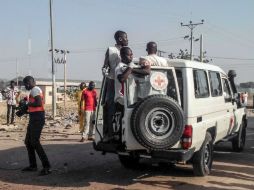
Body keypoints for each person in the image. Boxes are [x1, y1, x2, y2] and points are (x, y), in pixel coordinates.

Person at [21, 76, 51, 176]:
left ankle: (47, 167)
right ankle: (33, 166)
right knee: (28, 142)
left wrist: (28, 105)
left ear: (29, 83)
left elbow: (38, 103)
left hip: (37, 119)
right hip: (35, 118)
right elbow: (35, 105)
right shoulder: (35, 90)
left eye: (25, 84)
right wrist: (25, 109)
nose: (25, 86)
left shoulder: (35, 90)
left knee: (34, 142)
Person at [101, 30, 128, 140]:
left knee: (124, 107)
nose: (128, 40)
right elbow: (105, 66)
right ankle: (110, 134)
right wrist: (105, 73)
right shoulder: (111, 50)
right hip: (112, 81)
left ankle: (122, 133)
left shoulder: (127, 51)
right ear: (120, 39)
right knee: (111, 107)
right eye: (126, 38)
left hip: (124, 82)